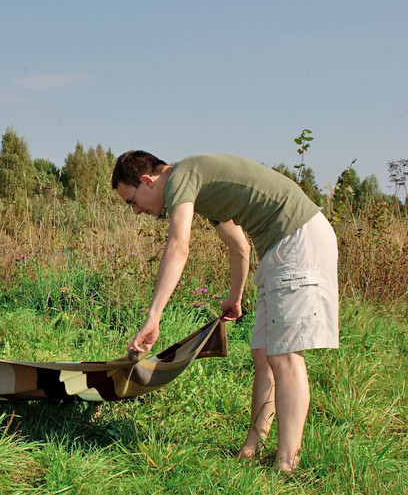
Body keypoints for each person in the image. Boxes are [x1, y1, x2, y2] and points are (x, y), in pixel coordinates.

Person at [111, 151, 338, 473]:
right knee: (263, 354)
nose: (135, 211)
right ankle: (252, 448)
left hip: (297, 241)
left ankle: (287, 463)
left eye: (131, 201)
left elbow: (179, 245)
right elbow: (239, 247)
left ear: (147, 181)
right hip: (280, 248)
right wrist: (235, 296)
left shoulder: (181, 177)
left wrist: (154, 316)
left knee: (285, 356)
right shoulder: (202, 188)